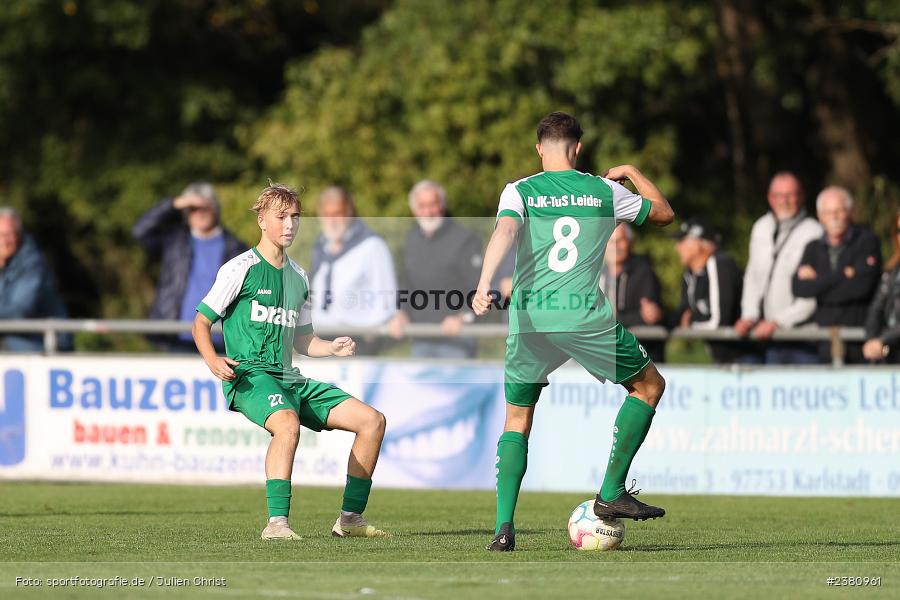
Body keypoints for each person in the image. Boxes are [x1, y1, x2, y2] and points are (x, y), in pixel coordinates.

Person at [472, 112, 674, 551]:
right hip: (581, 316)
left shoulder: (520, 190)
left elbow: (505, 228)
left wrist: (486, 281)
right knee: (649, 386)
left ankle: (504, 530)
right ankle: (611, 492)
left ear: (539, 148)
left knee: (517, 419)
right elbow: (663, 214)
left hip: (528, 320)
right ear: (578, 148)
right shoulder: (604, 190)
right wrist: (633, 173)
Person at [192, 183, 388, 541]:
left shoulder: (299, 277)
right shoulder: (240, 268)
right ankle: (276, 524)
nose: (290, 225)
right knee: (287, 423)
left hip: (289, 377)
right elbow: (201, 321)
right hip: (250, 375)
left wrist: (331, 347)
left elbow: (303, 340)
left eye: (295, 217)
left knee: (372, 421)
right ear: (262, 221)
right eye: (281, 217)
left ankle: (350, 520)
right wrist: (211, 359)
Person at [133, 183, 247, 351]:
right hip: (179, 339)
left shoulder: (237, 248)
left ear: (215, 209)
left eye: (205, 207)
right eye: (193, 208)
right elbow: (139, 231)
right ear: (186, 213)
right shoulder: (174, 241)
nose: (200, 213)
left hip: (222, 342)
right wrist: (174, 204)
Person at [734, 172, 823, 363]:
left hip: (800, 338)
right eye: (778, 195)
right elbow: (752, 276)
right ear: (770, 198)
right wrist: (749, 315)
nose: (784, 200)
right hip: (765, 336)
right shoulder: (760, 227)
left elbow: (814, 293)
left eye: (790, 194)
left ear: (801, 196)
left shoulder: (814, 232)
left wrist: (779, 322)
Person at [388, 180, 483, 358]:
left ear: (443, 205)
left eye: (433, 204)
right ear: (414, 210)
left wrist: (464, 317)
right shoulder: (411, 238)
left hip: (457, 340)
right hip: (420, 338)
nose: (428, 212)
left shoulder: (465, 240)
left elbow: (481, 289)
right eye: (422, 206)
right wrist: (401, 313)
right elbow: (406, 284)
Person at [792, 186, 881, 363]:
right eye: (828, 212)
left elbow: (861, 288)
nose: (834, 217)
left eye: (839, 211)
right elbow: (799, 288)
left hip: (860, 340)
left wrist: (819, 284)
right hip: (825, 341)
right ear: (820, 216)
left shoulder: (867, 241)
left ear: (849, 212)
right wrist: (842, 275)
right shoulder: (813, 247)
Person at [311, 186, 398, 353]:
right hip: (322, 341)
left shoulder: (372, 246)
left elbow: (387, 295)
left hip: (358, 342)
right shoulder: (322, 247)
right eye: (327, 215)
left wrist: (373, 334)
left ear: (350, 212)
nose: (333, 221)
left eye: (338, 214)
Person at [672, 218, 743, 363]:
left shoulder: (719, 264)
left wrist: (690, 322)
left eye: (682, 241)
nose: (677, 248)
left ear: (697, 243)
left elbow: (719, 322)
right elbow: (680, 314)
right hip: (719, 358)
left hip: (742, 358)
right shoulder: (689, 274)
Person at [0, 207, 68, 351]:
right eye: (1, 235)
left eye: (10, 234)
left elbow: (20, 310)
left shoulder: (33, 265)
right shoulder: (5, 263)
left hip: (40, 344)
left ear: (18, 236)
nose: (6, 241)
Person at [600, 223, 665, 362]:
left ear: (630, 242)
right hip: (606, 358)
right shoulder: (594, 275)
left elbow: (649, 317)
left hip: (641, 359)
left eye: (620, 240)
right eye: (610, 241)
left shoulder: (644, 273)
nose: (615, 246)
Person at [863, 208, 900, 364]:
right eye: (899, 230)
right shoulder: (892, 269)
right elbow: (877, 306)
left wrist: (884, 340)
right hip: (891, 354)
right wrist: (872, 339)